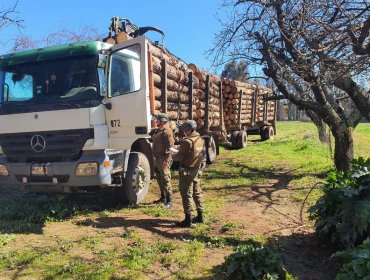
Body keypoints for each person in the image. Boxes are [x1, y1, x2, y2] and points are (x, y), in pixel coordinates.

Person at [172, 120, 206, 227]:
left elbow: (179, 157)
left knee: (186, 194)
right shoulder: (200, 139)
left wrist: (172, 154)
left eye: (184, 130)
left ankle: (188, 219)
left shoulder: (187, 142)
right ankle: (200, 216)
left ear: (187, 130)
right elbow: (201, 154)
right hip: (196, 169)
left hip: (187, 171)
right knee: (197, 192)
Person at [149, 113, 174, 208]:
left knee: (166, 179)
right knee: (159, 178)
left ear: (162, 121)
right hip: (157, 159)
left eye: (158, 120)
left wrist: (167, 160)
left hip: (164, 159)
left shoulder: (167, 132)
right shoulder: (156, 131)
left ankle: (169, 201)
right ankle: (163, 197)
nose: (156, 121)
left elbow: (170, 148)